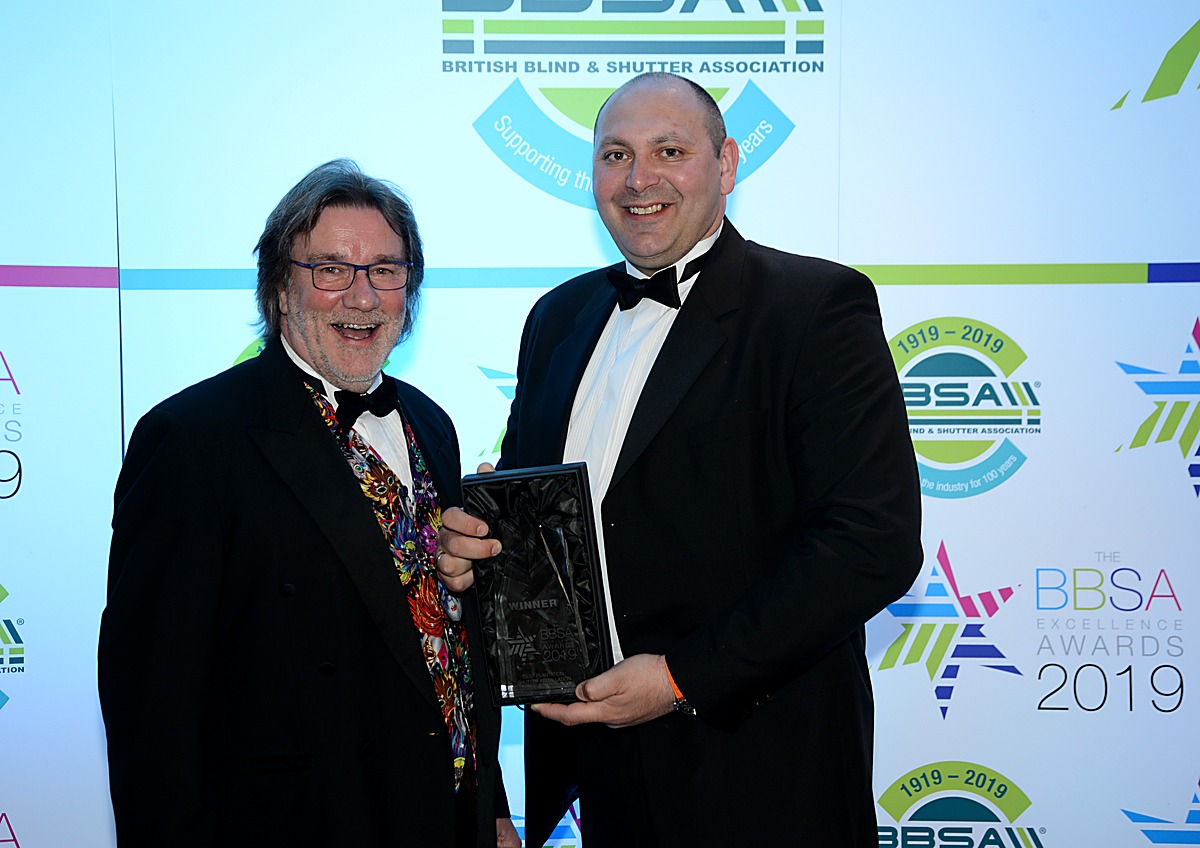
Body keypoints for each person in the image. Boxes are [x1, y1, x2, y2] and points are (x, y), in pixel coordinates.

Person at [439, 74, 923, 846]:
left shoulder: (814, 306)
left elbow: (872, 544)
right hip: (599, 767)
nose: (639, 180)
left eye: (671, 151)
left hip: (763, 772)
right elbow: (538, 519)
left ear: (726, 165)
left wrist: (677, 679)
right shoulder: (557, 318)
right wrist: (475, 552)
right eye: (616, 154)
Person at [98, 159, 519, 848]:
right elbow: (152, 704)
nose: (362, 297)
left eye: (386, 269)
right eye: (331, 270)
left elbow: (447, 646)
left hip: (442, 817)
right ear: (279, 288)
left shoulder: (431, 423)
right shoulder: (193, 441)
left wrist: (491, 806)